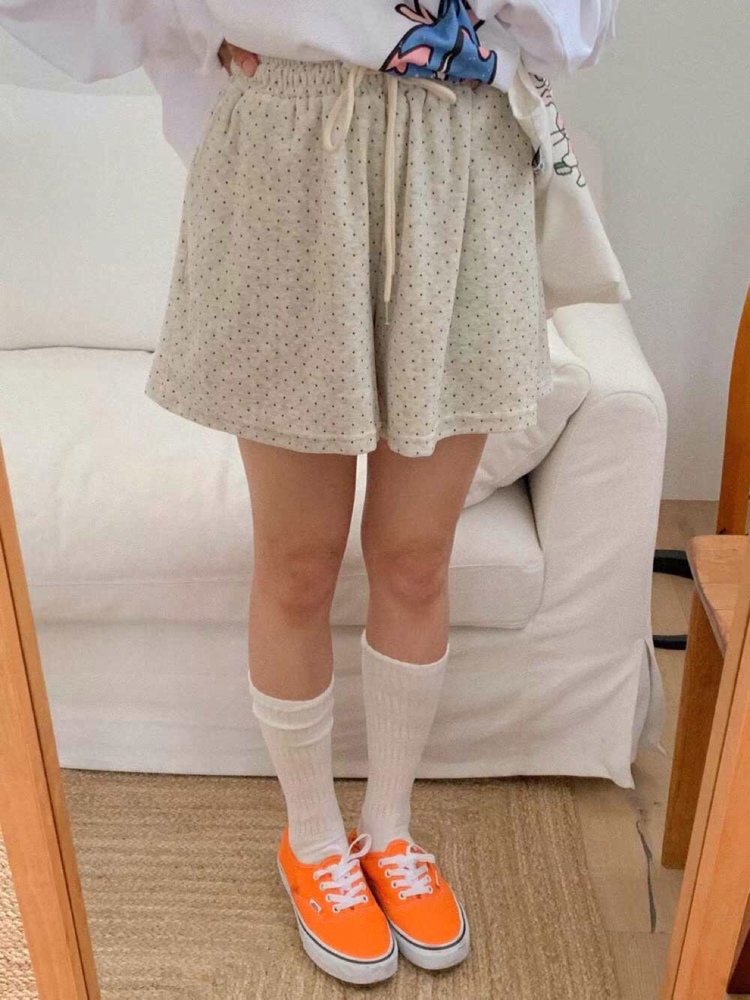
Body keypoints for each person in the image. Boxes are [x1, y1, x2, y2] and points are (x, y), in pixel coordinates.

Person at [0, 0, 627, 986]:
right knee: (297, 560)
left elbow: (578, 26)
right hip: (286, 151)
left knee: (415, 558)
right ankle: (312, 837)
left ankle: (390, 829)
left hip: (462, 157)